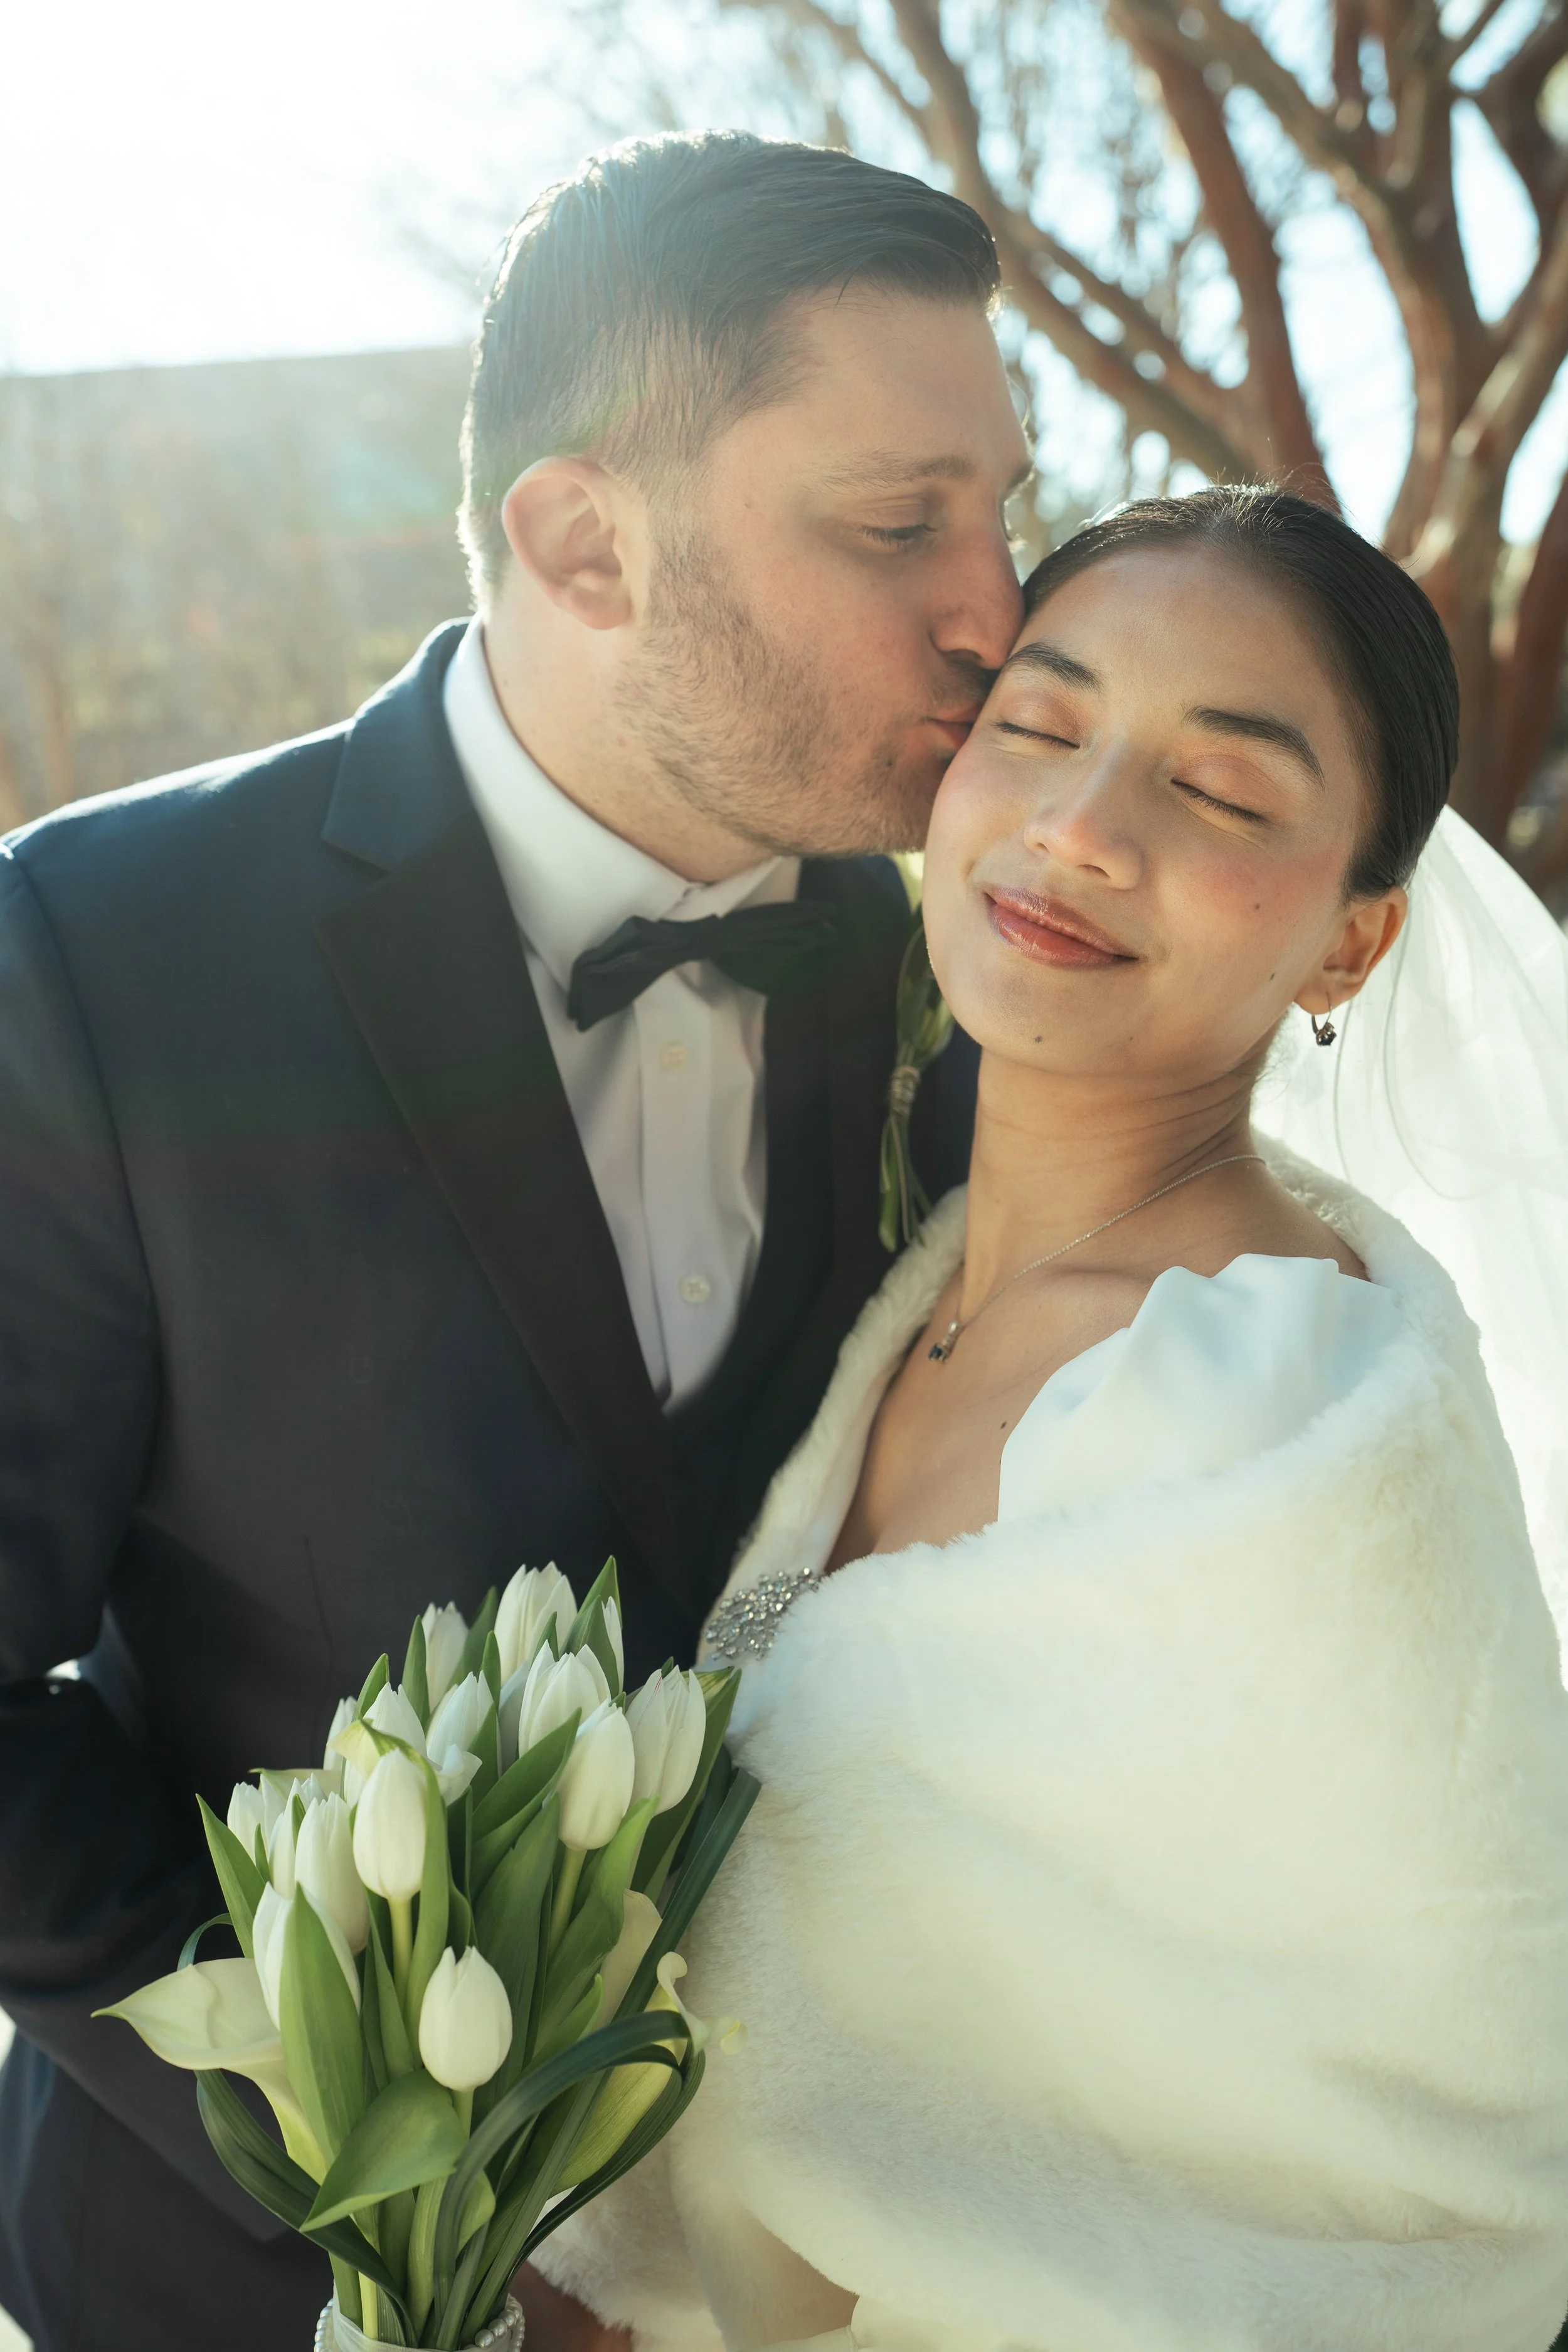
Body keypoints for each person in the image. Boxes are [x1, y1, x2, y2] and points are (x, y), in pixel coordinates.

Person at [0, 132, 1027, 2351]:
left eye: (999, 512)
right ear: (581, 539)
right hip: (231, 2284)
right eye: (897, 523)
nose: (993, 606)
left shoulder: (958, 979)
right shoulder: (96, 953)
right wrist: (407, 2185)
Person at [532, 489, 1568, 2352]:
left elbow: (1386, 2180)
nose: (1081, 830)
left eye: (1225, 796)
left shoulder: (1257, 1398)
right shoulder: (905, 1290)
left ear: (1350, 943)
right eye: (1038, 722)